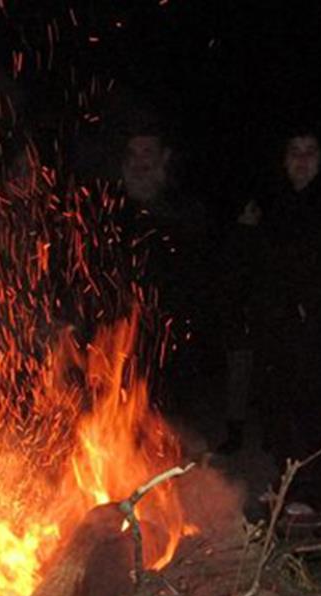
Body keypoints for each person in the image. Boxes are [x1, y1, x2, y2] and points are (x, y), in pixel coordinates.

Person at [240, 127, 321, 519]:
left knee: (308, 409)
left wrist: (312, 305)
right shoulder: (275, 202)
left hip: (313, 326)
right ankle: (288, 482)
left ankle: (318, 494)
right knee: (278, 407)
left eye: (311, 151)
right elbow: (261, 264)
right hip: (275, 323)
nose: (302, 160)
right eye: (294, 151)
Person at [115, 121, 211, 419]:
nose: (140, 161)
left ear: (164, 157)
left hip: (171, 338)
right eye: (133, 153)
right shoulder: (109, 207)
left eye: (148, 152)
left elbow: (200, 275)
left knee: (164, 423)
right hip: (117, 339)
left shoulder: (186, 210)